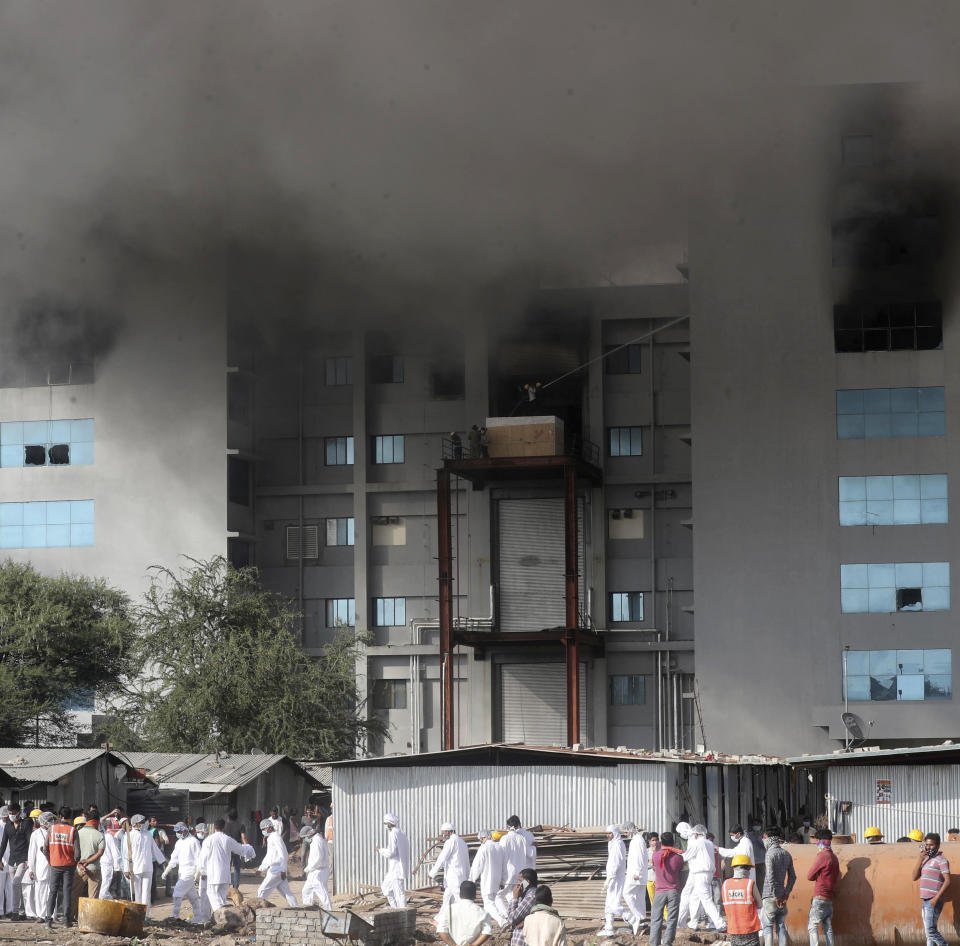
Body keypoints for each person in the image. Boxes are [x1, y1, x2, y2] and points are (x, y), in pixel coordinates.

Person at [199, 818, 255, 915]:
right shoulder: (228, 840)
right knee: (221, 898)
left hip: (212, 875)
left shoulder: (208, 840)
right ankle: (225, 917)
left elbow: (202, 858)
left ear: (214, 827)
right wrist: (249, 848)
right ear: (224, 827)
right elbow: (241, 850)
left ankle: (221, 915)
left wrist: (202, 872)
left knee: (212, 895)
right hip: (225, 875)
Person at [678, 824, 726, 933]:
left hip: (700, 874)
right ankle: (693, 923)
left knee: (706, 900)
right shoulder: (709, 843)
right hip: (708, 874)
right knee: (695, 898)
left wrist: (674, 857)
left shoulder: (697, 843)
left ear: (696, 834)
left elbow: (686, 856)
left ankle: (720, 924)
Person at [42, 807, 80, 929]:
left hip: (55, 865)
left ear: (59, 816)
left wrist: (51, 860)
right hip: (69, 866)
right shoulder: (73, 830)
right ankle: (65, 921)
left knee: (52, 892)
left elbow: (45, 848)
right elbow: (77, 853)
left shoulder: (51, 829)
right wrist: (75, 862)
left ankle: (48, 920)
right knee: (67, 892)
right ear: (71, 817)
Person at [121, 814, 166, 918]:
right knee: (137, 893)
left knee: (146, 893)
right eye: (141, 822)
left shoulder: (148, 835)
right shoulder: (128, 836)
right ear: (136, 824)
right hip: (135, 869)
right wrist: (126, 869)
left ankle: (146, 915)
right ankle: (137, 915)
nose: (143, 824)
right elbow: (125, 854)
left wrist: (162, 861)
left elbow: (155, 849)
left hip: (147, 867)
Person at [912, 831, 951, 946]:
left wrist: (936, 898)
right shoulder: (925, 860)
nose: (928, 847)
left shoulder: (942, 860)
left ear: (938, 845)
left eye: (931, 845)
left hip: (934, 900)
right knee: (929, 933)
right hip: (925, 900)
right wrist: (920, 859)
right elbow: (914, 877)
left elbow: (948, 880)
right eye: (927, 845)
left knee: (931, 931)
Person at [760, 825, 796, 946]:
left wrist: (774, 895)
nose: (763, 840)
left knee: (768, 926)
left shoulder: (769, 854)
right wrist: (786, 894)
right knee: (781, 926)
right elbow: (793, 877)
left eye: (764, 838)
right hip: (782, 896)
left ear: (770, 838)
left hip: (770, 896)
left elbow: (770, 876)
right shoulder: (786, 854)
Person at [162, 823, 202, 923]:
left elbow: (199, 858)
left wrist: (197, 873)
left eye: (179, 832)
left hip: (190, 872)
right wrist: (167, 870)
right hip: (182, 872)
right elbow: (174, 858)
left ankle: (175, 916)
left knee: (177, 893)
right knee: (193, 897)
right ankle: (198, 916)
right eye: (176, 832)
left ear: (185, 830)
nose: (177, 834)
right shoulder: (179, 842)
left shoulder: (194, 841)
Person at [649, 830, 683, 946]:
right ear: (673, 843)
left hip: (659, 892)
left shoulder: (655, 855)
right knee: (671, 919)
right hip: (673, 891)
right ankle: (667, 943)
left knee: (655, 919)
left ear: (661, 843)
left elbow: (655, 867)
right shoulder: (678, 858)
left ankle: (654, 943)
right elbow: (679, 871)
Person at [437, 879, 495, 946]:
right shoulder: (483, 913)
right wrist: (474, 945)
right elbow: (487, 932)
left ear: (459, 894)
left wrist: (453, 945)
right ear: (475, 895)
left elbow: (441, 930)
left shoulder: (449, 909)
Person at [0, 803, 32, 920]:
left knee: (15, 883)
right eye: (10, 814)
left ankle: (15, 912)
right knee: (16, 887)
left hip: (22, 859)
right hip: (11, 860)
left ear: (19, 812)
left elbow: (30, 842)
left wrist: (29, 859)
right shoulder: (8, 826)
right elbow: (3, 844)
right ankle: (22, 912)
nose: (11, 815)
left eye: (13, 813)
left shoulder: (26, 824)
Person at [722, 854, 763, 946]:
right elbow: (760, 905)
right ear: (746, 868)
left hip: (734, 929)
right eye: (749, 869)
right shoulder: (750, 884)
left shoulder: (725, 885)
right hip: (750, 930)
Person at [807, 829, 839, 946]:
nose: (817, 844)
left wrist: (817, 875)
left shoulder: (822, 856)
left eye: (818, 840)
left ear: (821, 841)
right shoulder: (834, 857)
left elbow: (809, 876)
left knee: (812, 925)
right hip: (829, 897)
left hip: (820, 895)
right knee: (827, 925)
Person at [70, 814, 105, 918]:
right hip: (94, 869)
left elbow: (72, 851)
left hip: (79, 869)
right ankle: (91, 920)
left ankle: (69, 918)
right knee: (93, 897)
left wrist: (80, 864)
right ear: (96, 821)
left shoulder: (77, 833)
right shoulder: (99, 835)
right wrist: (88, 862)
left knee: (75, 894)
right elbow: (100, 853)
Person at [470, 828, 507, 927]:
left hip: (487, 880)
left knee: (488, 904)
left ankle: (502, 921)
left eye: (480, 840)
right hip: (497, 880)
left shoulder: (484, 847)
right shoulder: (499, 848)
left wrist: (471, 880)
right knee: (491, 903)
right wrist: (503, 881)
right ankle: (487, 925)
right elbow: (504, 866)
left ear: (483, 838)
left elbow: (477, 865)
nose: (480, 842)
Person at [430, 822, 470, 911]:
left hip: (453, 876)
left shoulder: (450, 842)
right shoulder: (462, 842)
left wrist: (432, 873)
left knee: (460, 900)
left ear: (448, 832)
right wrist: (467, 875)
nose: (443, 835)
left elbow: (442, 858)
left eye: (443, 832)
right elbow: (467, 861)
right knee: (446, 900)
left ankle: (468, 918)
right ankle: (440, 920)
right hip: (459, 876)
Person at [499, 817, 534, 916]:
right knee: (517, 893)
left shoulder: (504, 839)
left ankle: (509, 916)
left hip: (508, 871)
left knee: (500, 895)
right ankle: (517, 912)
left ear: (507, 827)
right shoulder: (522, 838)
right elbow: (529, 853)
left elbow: (501, 857)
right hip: (521, 872)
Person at [377, 812, 410, 909]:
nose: (385, 826)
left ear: (389, 824)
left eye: (385, 824)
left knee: (399, 893)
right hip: (394, 869)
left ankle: (403, 912)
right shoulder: (401, 833)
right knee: (386, 888)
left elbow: (391, 852)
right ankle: (395, 909)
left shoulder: (393, 833)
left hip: (397, 869)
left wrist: (380, 850)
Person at [598, 823, 626, 938]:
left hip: (615, 878)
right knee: (609, 904)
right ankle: (609, 927)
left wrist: (610, 878)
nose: (608, 835)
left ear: (615, 833)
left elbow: (616, 862)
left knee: (614, 904)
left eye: (610, 833)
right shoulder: (613, 843)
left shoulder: (618, 844)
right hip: (612, 878)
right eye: (607, 833)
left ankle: (632, 919)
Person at [622, 822, 648, 935]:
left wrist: (637, 872)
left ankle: (638, 918)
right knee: (639, 897)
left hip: (636, 874)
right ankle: (642, 921)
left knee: (626, 893)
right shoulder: (638, 839)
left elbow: (638, 857)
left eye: (626, 831)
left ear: (631, 830)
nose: (625, 833)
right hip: (640, 874)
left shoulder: (636, 841)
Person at [26, 812, 53, 919]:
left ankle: (51, 914)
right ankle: (41, 915)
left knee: (52, 891)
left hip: (53, 866)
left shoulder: (54, 832)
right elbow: (31, 853)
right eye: (50, 820)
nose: (52, 822)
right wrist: (31, 869)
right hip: (40, 867)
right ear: (44, 822)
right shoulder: (35, 834)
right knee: (40, 891)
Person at [301, 823, 332, 909]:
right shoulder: (315, 840)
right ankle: (308, 908)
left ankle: (329, 910)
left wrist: (309, 868)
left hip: (319, 870)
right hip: (314, 870)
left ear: (309, 835)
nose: (305, 839)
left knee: (321, 891)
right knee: (306, 891)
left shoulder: (317, 841)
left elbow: (318, 858)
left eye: (305, 837)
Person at [506, 868, 539, 946]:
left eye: (520, 881)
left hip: (523, 939)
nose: (518, 884)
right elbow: (510, 916)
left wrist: (515, 898)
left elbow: (512, 919)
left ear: (527, 882)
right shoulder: (524, 894)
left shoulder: (531, 896)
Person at [223, 810, 248, 890]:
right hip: (237, 848)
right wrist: (247, 848)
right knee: (237, 868)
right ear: (237, 817)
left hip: (227, 848)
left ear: (228, 817)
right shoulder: (241, 825)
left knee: (227, 868)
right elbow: (243, 837)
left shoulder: (225, 825)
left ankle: (226, 886)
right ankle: (235, 888)